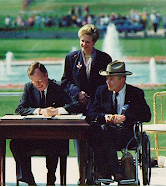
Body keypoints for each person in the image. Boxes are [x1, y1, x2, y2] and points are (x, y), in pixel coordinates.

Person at [10, 62, 83, 186]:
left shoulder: (58, 87)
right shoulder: (29, 87)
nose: (38, 85)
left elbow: (77, 105)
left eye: (40, 81)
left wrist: (57, 111)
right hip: (34, 135)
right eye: (34, 82)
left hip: (55, 136)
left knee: (53, 145)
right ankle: (28, 179)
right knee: (15, 143)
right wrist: (38, 111)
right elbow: (20, 109)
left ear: (46, 75)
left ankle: (51, 181)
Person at [61, 23, 112, 184]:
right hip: (78, 106)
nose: (83, 45)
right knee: (79, 139)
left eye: (87, 42)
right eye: (82, 41)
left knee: (98, 137)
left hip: (98, 107)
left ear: (94, 42)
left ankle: (99, 173)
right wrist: (78, 93)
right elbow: (65, 81)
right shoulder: (71, 58)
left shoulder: (104, 59)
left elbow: (107, 83)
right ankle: (83, 174)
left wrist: (95, 97)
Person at [86, 60, 151, 182]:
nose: (107, 82)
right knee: (97, 129)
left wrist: (126, 118)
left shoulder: (135, 93)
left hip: (127, 134)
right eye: (107, 79)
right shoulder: (101, 91)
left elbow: (146, 116)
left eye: (111, 79)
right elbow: (92, 114)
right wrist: (105, 117)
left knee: (102, 132)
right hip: (105, 132)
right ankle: (116, 171)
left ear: (122, 80)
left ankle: (106, 171)